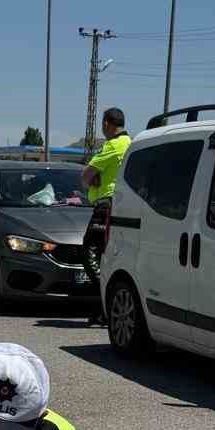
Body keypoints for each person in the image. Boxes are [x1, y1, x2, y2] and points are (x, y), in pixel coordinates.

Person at [80, 108, 131, 324]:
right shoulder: (132, 144)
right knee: (109, 257)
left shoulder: (112, 146)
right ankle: (102, 309)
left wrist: (93, 180)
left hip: (106, 207)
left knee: (89, 252)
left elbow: (85, 176)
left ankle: (105, 304)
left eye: (103, 124)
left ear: (107, 123)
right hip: (123, 206)